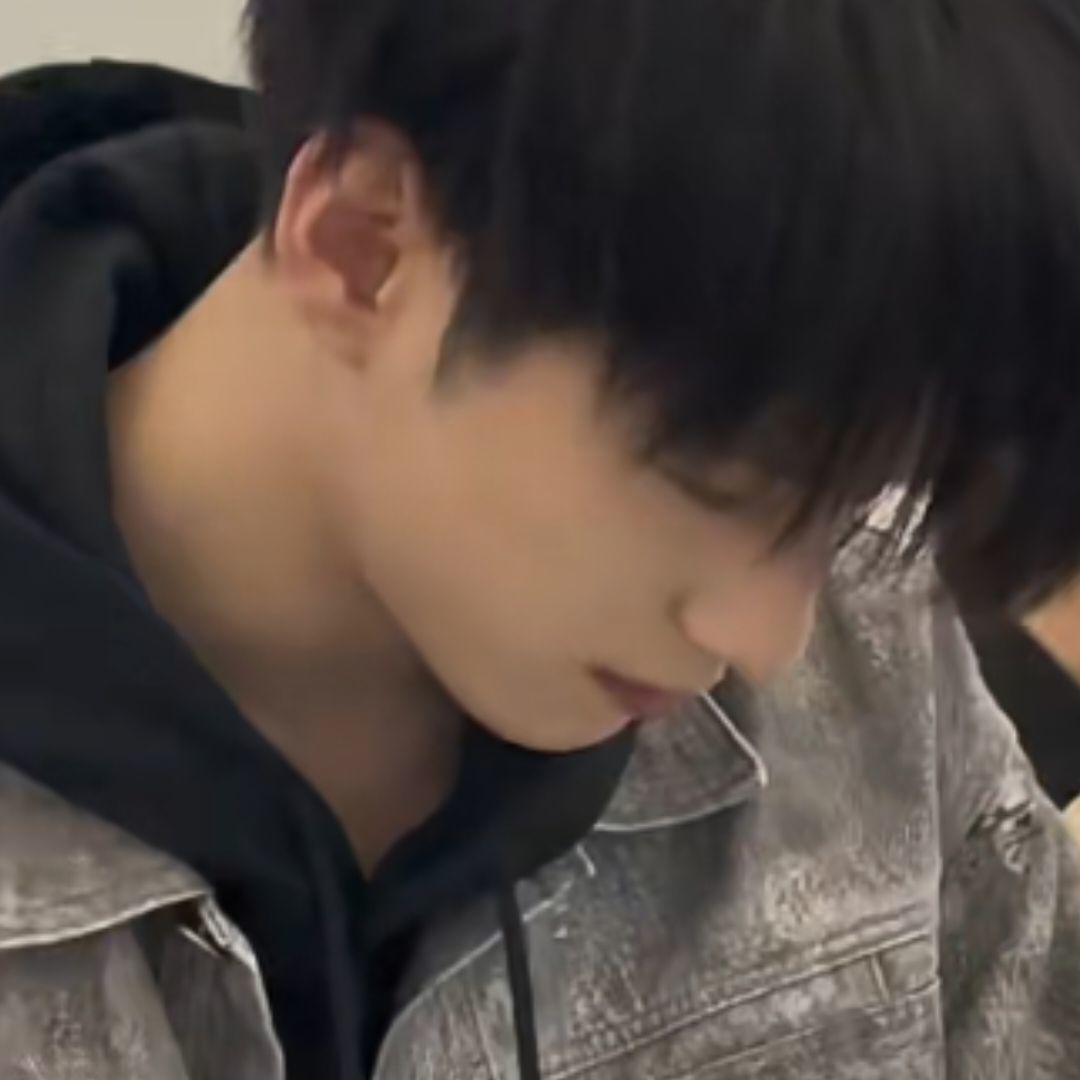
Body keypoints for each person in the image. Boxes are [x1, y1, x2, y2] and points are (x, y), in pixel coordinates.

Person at [1, 1, 1080, 1076]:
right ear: (360, 246)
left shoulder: (872, 640)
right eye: (719, 483)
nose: (770, 641)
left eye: (854, 496)